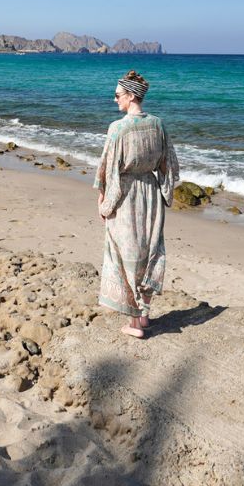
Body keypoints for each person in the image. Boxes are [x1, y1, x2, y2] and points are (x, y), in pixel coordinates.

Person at [94, 69, 180, 338]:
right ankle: (144, 316)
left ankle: (134, 325)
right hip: (150, 193)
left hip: (127, 194)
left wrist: (103, 200)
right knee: (148, 251)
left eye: (118, 95)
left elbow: (107, 169)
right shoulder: (158, 124)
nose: (114, 99)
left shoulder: (117, 128)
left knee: (124, 253)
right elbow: (169, 165)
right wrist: (164, 192)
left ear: (131, 96)